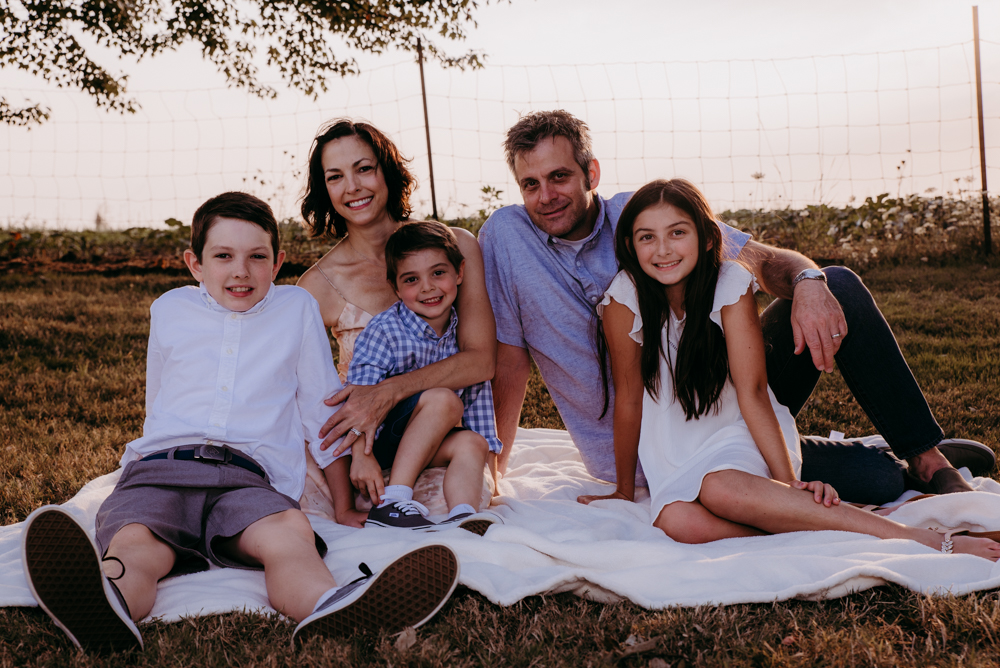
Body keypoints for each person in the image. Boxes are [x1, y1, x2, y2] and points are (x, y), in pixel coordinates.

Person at [479, 109, 994, 506]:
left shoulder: (643, 216)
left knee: (835, 283)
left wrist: (808, 282)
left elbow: (762, 261)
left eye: (559, 177)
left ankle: (927, 458)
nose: (546, 196)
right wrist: (493, 468)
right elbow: (509, 358)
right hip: (649, 453)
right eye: (530, 184)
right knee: (878, 482)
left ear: (590, 172)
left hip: (721, 403)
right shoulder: (506, 238)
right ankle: (881, 458)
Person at [20, 192, 459, 653]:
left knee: (288, 538)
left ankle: (331, 605)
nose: (241, 271)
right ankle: (107, 603)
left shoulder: (295, 309)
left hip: (248, 478)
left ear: (278, 262)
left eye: (257, 257)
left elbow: (321, 413)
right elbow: (159, 401)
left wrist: (344, 506)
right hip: (163, 470)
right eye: (223, 256)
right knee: (135, 544)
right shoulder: (169, 309)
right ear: (195, 263)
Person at [593, 177, 1000, 558]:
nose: (663, 249)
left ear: (707, 236)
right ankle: (834, 524)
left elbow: (753, 393)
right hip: (675, 448)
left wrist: (789, 483)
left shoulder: (728, 282)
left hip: (734, 433)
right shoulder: (625, 297)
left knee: (720, 488)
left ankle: (921, 538)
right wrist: (624, 490)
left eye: (677, 232)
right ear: (630, 244)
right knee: (679, 522)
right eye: (647, 237)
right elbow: (629, 400)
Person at [296, 119, 497, 528]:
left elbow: (481, 361)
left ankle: (444, 525)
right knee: (304, 502)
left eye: (364, 169)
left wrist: (388, 392)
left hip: (439, 442)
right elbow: (306, 387)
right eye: (335, 177)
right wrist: (358, 450)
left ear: (387, 171)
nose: (352, 187)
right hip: (362, 449)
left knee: (448, 504)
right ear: (324, 190)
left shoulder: (453, 247)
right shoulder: (316, 286)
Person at [313, 221, 501, 533]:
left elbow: (478, 400)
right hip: (380, 440)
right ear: (396, 288)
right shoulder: (385, 330)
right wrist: (361, 456)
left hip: (424, 442)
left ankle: (464, 516)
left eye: (438, 273)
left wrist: (490, 465)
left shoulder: (461, 332)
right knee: (444, 400)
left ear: (459, 273)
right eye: (412, 279)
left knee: (471, 442)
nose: (427, 287)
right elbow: (360, 399)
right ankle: (393, 502)